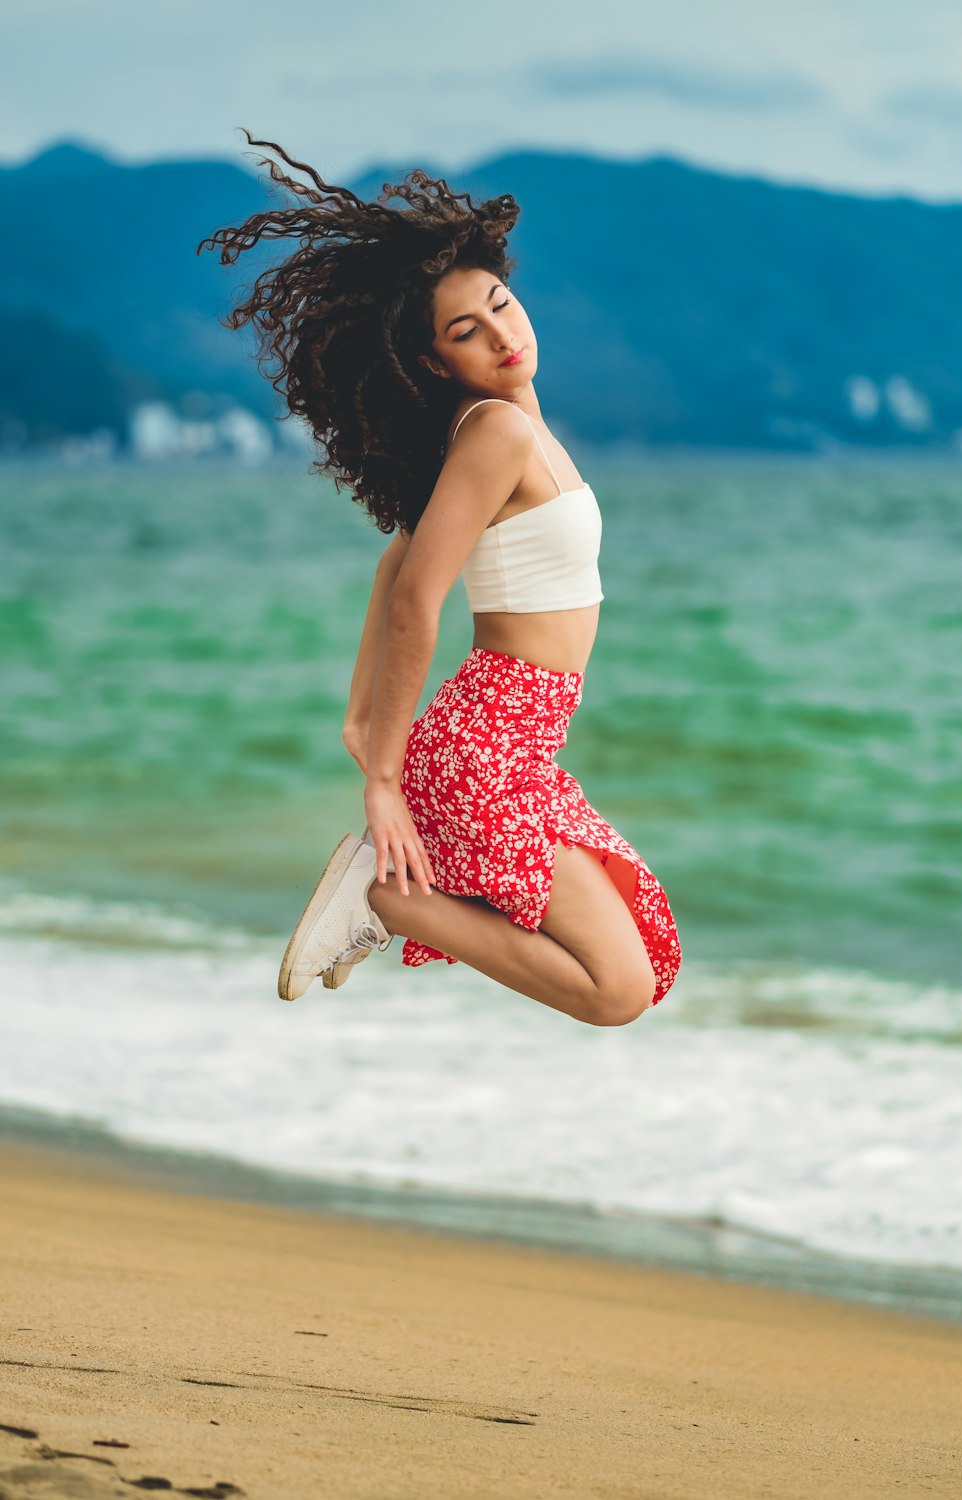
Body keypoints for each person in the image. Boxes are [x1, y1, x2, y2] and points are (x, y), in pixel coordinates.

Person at [199, 132, 682, 1025]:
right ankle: (386, 899)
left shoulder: (510, 435)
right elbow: (419, 597)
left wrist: (358, 711)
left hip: (518, 747)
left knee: (641, 959)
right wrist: (381, 776)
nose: (502, 333)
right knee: (617, 988)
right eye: (467, 331)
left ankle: (384, 898)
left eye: (502, 305)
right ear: (434, 361)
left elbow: (399, 557)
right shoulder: (494, 430)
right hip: (488, 746)